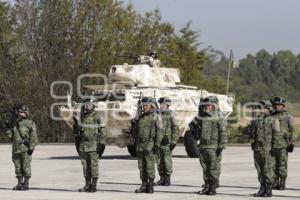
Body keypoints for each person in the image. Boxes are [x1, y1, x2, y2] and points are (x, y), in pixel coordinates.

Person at [189, 96, 227, 195]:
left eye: (209, 105)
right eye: (206, 105)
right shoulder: (203, 115)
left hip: (213, 146)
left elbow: (223, 132)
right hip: (203, 146)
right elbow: (192, 126)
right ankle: (207, 186)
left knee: (212, 168)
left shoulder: (219, 116)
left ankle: (212, 187)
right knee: (205, 168)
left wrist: (221, 146)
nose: (207, 107)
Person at [73, 98, 107, 193]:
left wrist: (101, 144)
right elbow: (79, 133)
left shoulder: (98, 116)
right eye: (86, 104)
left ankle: (94, 185)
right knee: (85, 166)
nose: (87, 106)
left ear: (93, 105)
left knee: (94, 165)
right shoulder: (82, 117)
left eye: (89, 104)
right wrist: (76, 129)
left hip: (94, 145)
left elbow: (103, 131)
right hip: (83, 145)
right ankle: (87, 184)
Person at [5, 104, 38, 191]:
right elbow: (12, 137)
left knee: (26, 167)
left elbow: (34, 137)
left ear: (26, 113)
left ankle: (26, 184)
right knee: (17, 167)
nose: (19, 113)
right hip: (16, 149)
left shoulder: (30, 123)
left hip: (25, 149)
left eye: (22, 112)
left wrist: (31, 147)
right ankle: (19, 183)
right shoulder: (15, 123)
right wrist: (8, 130)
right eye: (19, 112)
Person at [135, 97, 163, 193]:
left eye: (146, 105)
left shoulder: (156, 117)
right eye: (143, 105)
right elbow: (136, 130)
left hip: (150, 144)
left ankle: (150, 186)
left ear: (152, 106)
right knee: (141, 166)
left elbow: (160, 132)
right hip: (140, 145)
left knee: (149, 166)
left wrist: (157, 145)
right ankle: (143, 185)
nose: (144, 107)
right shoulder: (140, 117)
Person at [249, 101, 276, 197]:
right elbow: (253, 134)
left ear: (268, 108)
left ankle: (268, 190)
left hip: (267, 148)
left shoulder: (273, 120)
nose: (261, 109)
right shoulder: (257, 119)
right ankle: (262, 188)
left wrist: (274, 147)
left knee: (267, 169)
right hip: (257, 148)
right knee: (259, 169)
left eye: (263, 107)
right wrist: (252, 140)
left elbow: (277, 134)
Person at [270, 97, 296, 190]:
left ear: (283, 106)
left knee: (282, 165)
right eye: (276, 105)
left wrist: (292, 143)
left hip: (283, 145)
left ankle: (282, 183)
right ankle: (275, 182)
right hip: (272, 145)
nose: (277, 106)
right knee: (272, 165)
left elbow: (293, 130)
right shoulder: (271, 116)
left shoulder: (288, 116)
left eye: (279, 105)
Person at [154, 97, 179, 186]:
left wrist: (174, 141)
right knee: (159, 161)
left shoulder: (171, 115)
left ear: (167, 105)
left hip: (166, 142)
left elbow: (176, 128)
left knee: (166, 160)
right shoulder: (157, 114)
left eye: (163, 104)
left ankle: (167, 179)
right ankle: (162, 178)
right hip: (157, 142)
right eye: (160, 104)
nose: (161, 106)